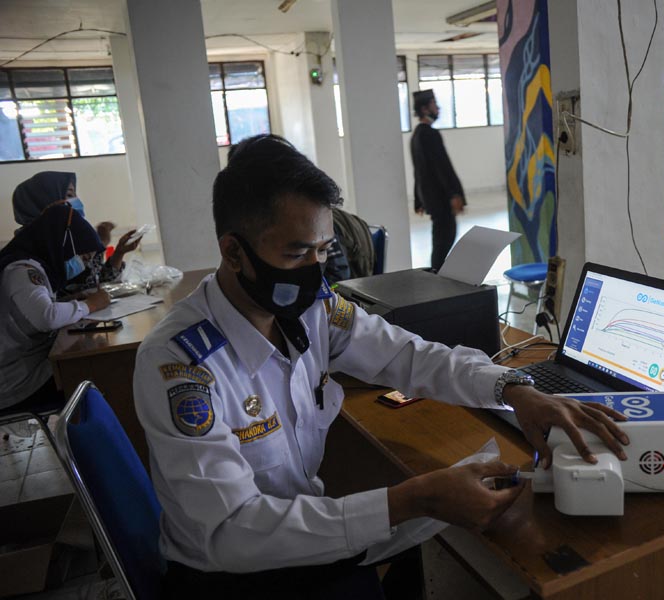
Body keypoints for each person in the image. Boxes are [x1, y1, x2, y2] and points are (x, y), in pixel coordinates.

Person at [133, 134, 629, 599]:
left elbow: (406, 354)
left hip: (302, 538)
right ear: (233, 251)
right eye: (295, 253)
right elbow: (230, 532)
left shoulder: (310, 309)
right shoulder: (180, 362)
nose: (316, 271)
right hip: (233, 577)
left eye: (324, 251)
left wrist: (512, 387)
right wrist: (410, 501)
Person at [0, 203, 110, 412]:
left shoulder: (34, 265)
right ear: (64, 245)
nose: (82, 264)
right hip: (16, 384)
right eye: (82, 256)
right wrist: (90, 304)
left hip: (27, 367)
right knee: (97, 374)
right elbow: (46, 317)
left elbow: (35, 309)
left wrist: (71, 300)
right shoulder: (22, 271)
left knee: (90, 368)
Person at [11, 171, 142, 289]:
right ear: (46, 200)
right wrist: (98, 244)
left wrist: (119, 252)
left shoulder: (70, 236)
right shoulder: (29, 248)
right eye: (69, 194)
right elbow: (51, 297)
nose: (76, 201)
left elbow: (97, 282)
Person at [410, 90, 466, 272]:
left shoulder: (417, 135)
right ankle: (438, 276)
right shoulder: (430, 134)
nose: (438, 107)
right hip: (440, 198)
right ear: (425, 108)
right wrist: (454, 194)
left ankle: (437, 274)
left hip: (431, 198)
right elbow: (442, 167)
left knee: (441, 238)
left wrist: (418, 200)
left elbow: (418, 171)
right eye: (434, 104)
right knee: (444, 238)